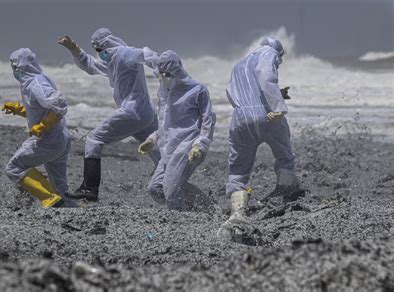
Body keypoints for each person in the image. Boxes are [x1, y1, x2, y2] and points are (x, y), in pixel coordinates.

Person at [58, 28, 160, 202]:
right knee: (158, 152)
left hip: (132, 112)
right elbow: (91, 66)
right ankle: (171, 182)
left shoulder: (123, 53)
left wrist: (164, 67)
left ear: (106, 45)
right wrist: (74, 49)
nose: (99, 54)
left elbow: (145, 54)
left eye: (98, 50)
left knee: (94, 140)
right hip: (146, 114)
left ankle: (90, 188)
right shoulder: (112, 61)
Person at [218, 37, 303, 237]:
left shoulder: (239, 64)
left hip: (240, 119)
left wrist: (276, 94)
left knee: (238, 171)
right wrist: (279, 106)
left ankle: (237, 213)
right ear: (278, 52)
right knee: (284, 157)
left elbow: (233, 94)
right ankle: (286, 194)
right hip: (268, 116)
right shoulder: (269, 53)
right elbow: (265, 75)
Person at [138, 50, 216, 210]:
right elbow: (165, 125)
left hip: (188, 146)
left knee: (171, 193)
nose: (163, 77)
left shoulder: (198, 90)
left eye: (167, 74)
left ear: (176, 71)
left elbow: (208, 120)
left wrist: (199, 145)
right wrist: (152, 140)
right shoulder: (164, 92)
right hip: (168, 148)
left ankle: (182, 219)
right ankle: (206, 206)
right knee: (155, 189)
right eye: (161, 74)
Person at [2, 48, 73, 208]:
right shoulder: (37, 80)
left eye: (13, 67)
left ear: (18, 66)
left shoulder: (36, 83)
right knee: (60, 186)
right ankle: (69, 209)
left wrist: (43, 126)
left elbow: (59, 104)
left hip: (49, 141)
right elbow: (42, 110)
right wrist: (19, 110)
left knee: (14, 167)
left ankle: (49, 198)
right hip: (61, 139)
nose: (13, 71)